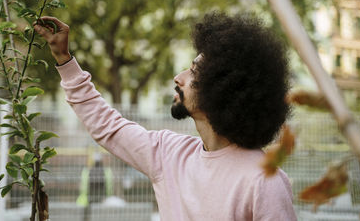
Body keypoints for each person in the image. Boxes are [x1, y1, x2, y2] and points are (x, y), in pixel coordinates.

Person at [34, 12, 297, 220]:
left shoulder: (264, 180)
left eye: (193, 72)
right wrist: (63, 58)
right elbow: (107, 126)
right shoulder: (169, 154)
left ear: (225, 88)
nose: (179, 77)